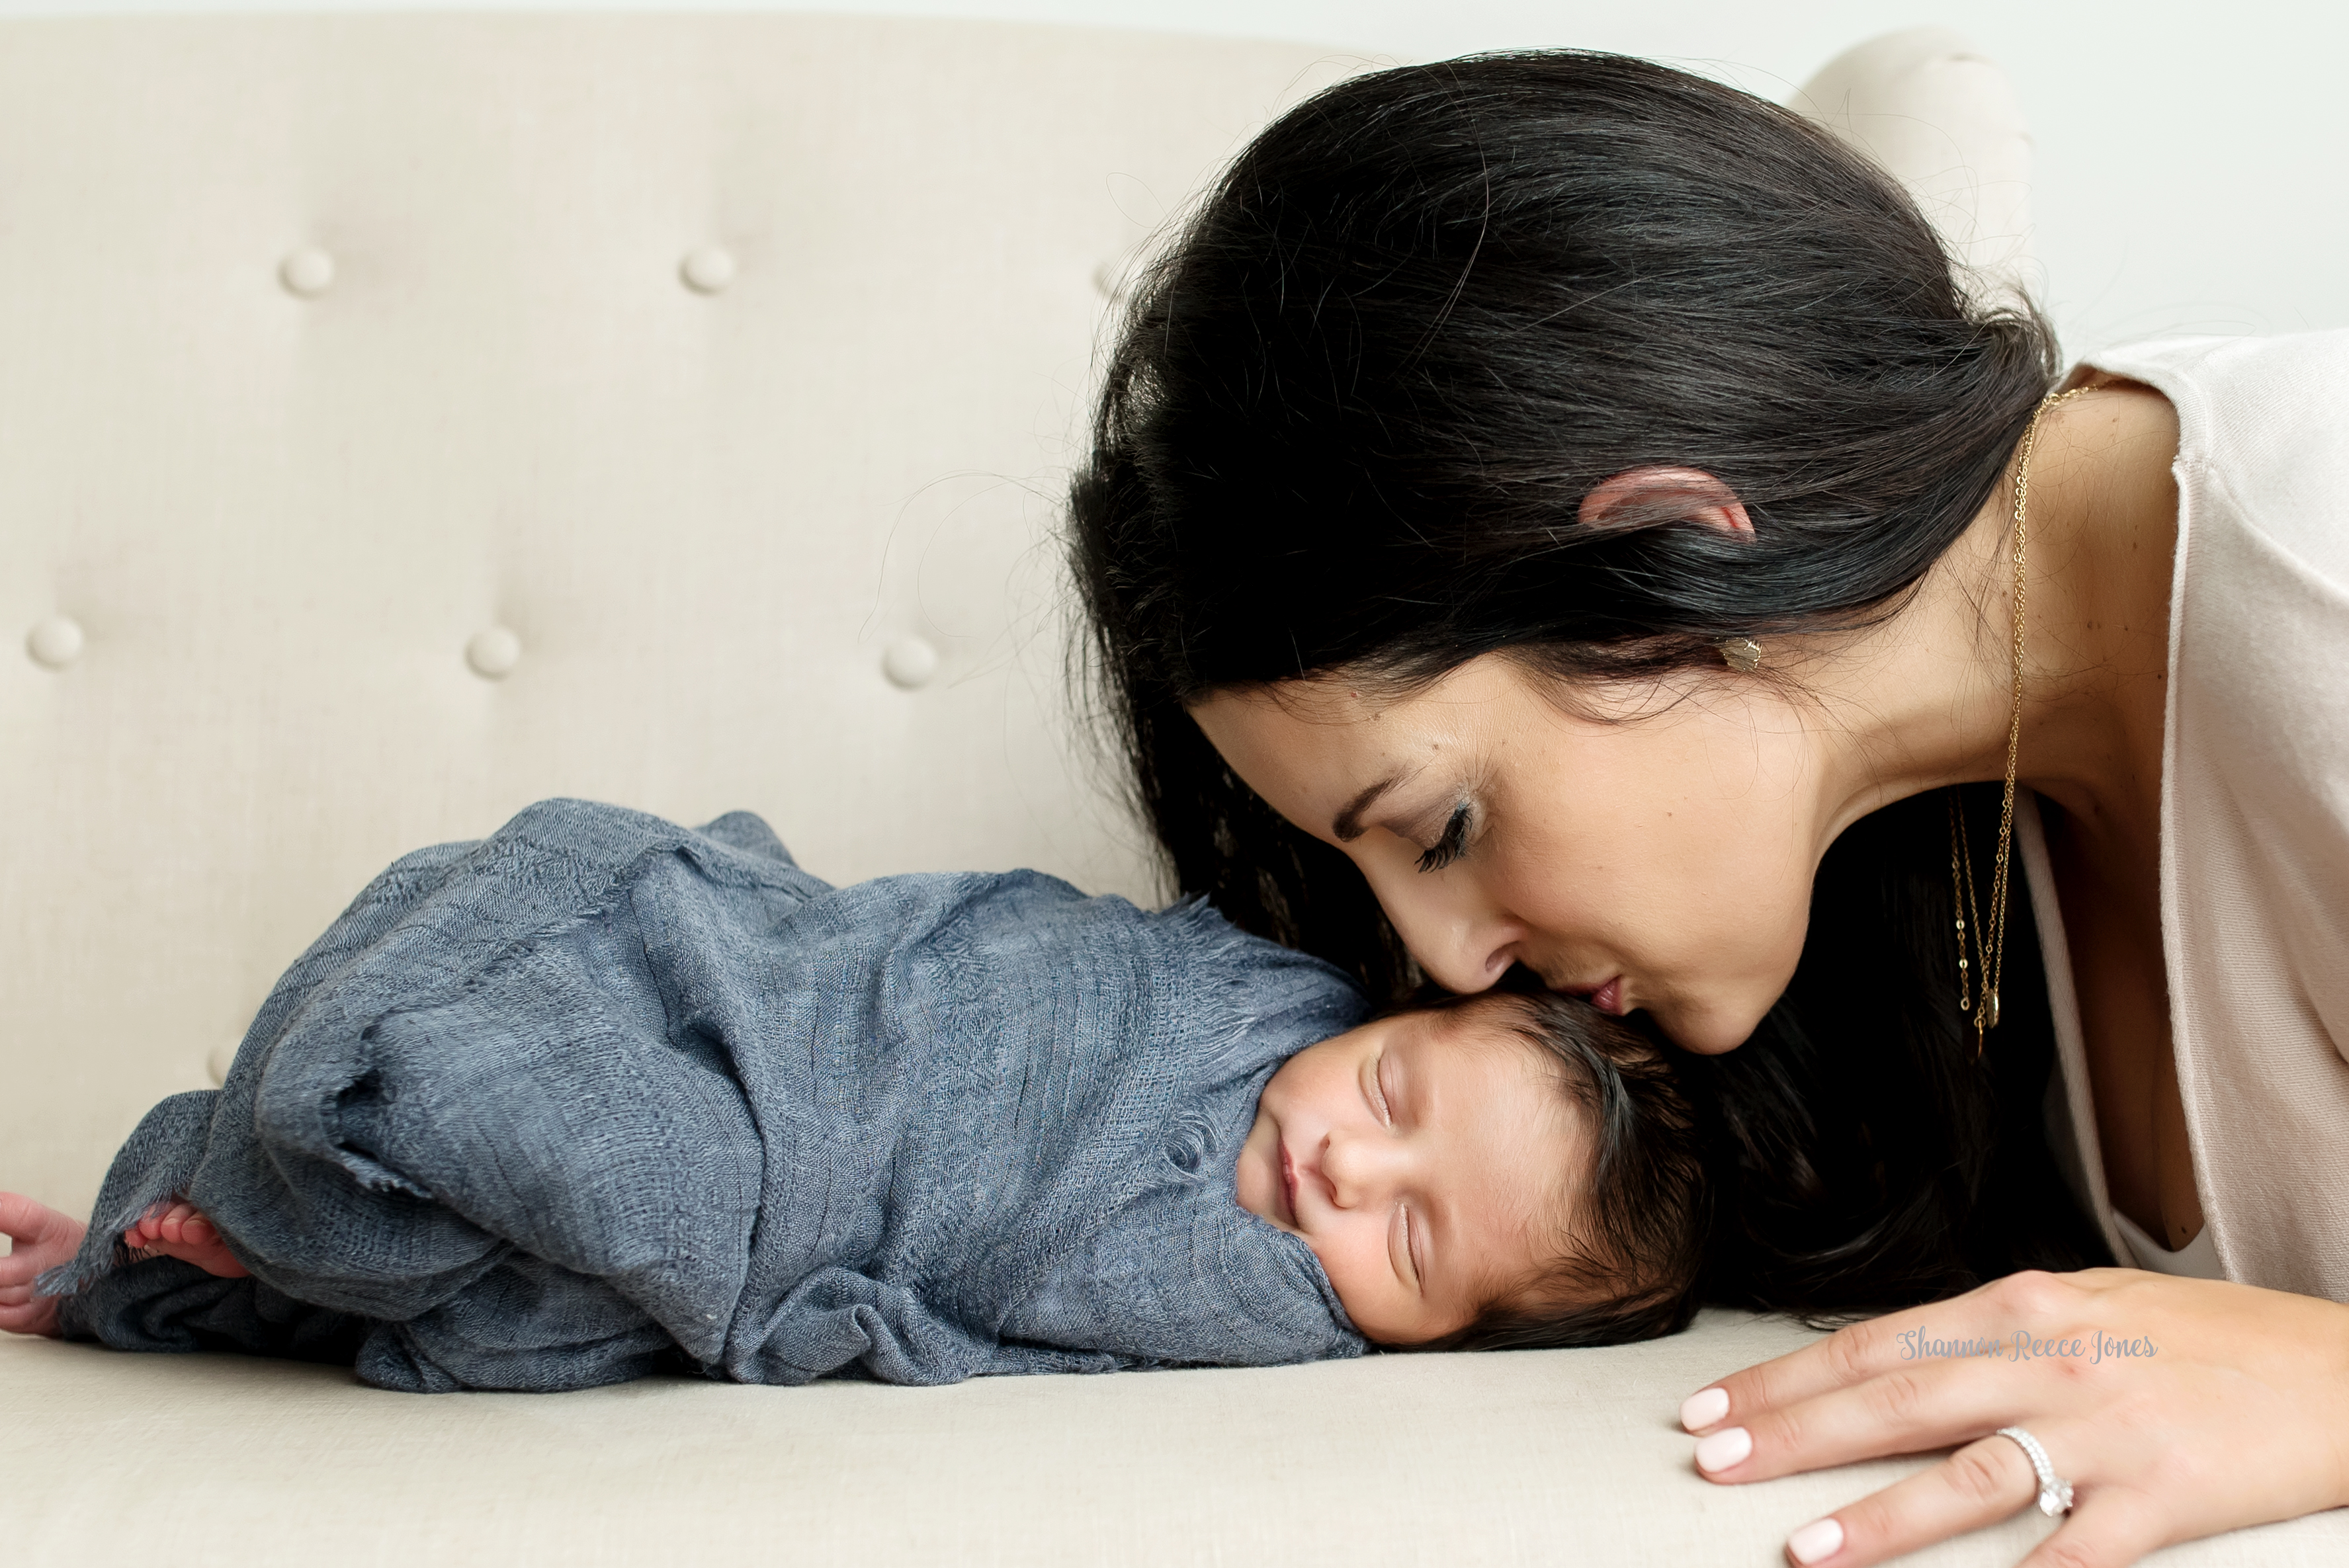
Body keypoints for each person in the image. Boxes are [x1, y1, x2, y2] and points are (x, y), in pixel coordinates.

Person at [1069, 47, 2349, 1568]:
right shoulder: (1931, 848)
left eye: (1441, 829)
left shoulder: (2315, 572)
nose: (1454, 963)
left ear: (1669, 559)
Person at [0, 798, 1706, 1391]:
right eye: (1394, 1091)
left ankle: (213, 1242)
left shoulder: (1269, 1304)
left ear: (1430, 1338)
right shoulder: (1272, 978)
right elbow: (993, 955)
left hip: (762, 1194)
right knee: (565, 1038)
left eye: (1410, 1244)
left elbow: (1031, 1277)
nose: (1343, 1165)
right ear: (1403, 1004)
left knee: (584, 1247)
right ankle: (278, 1191)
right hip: (772, 992)